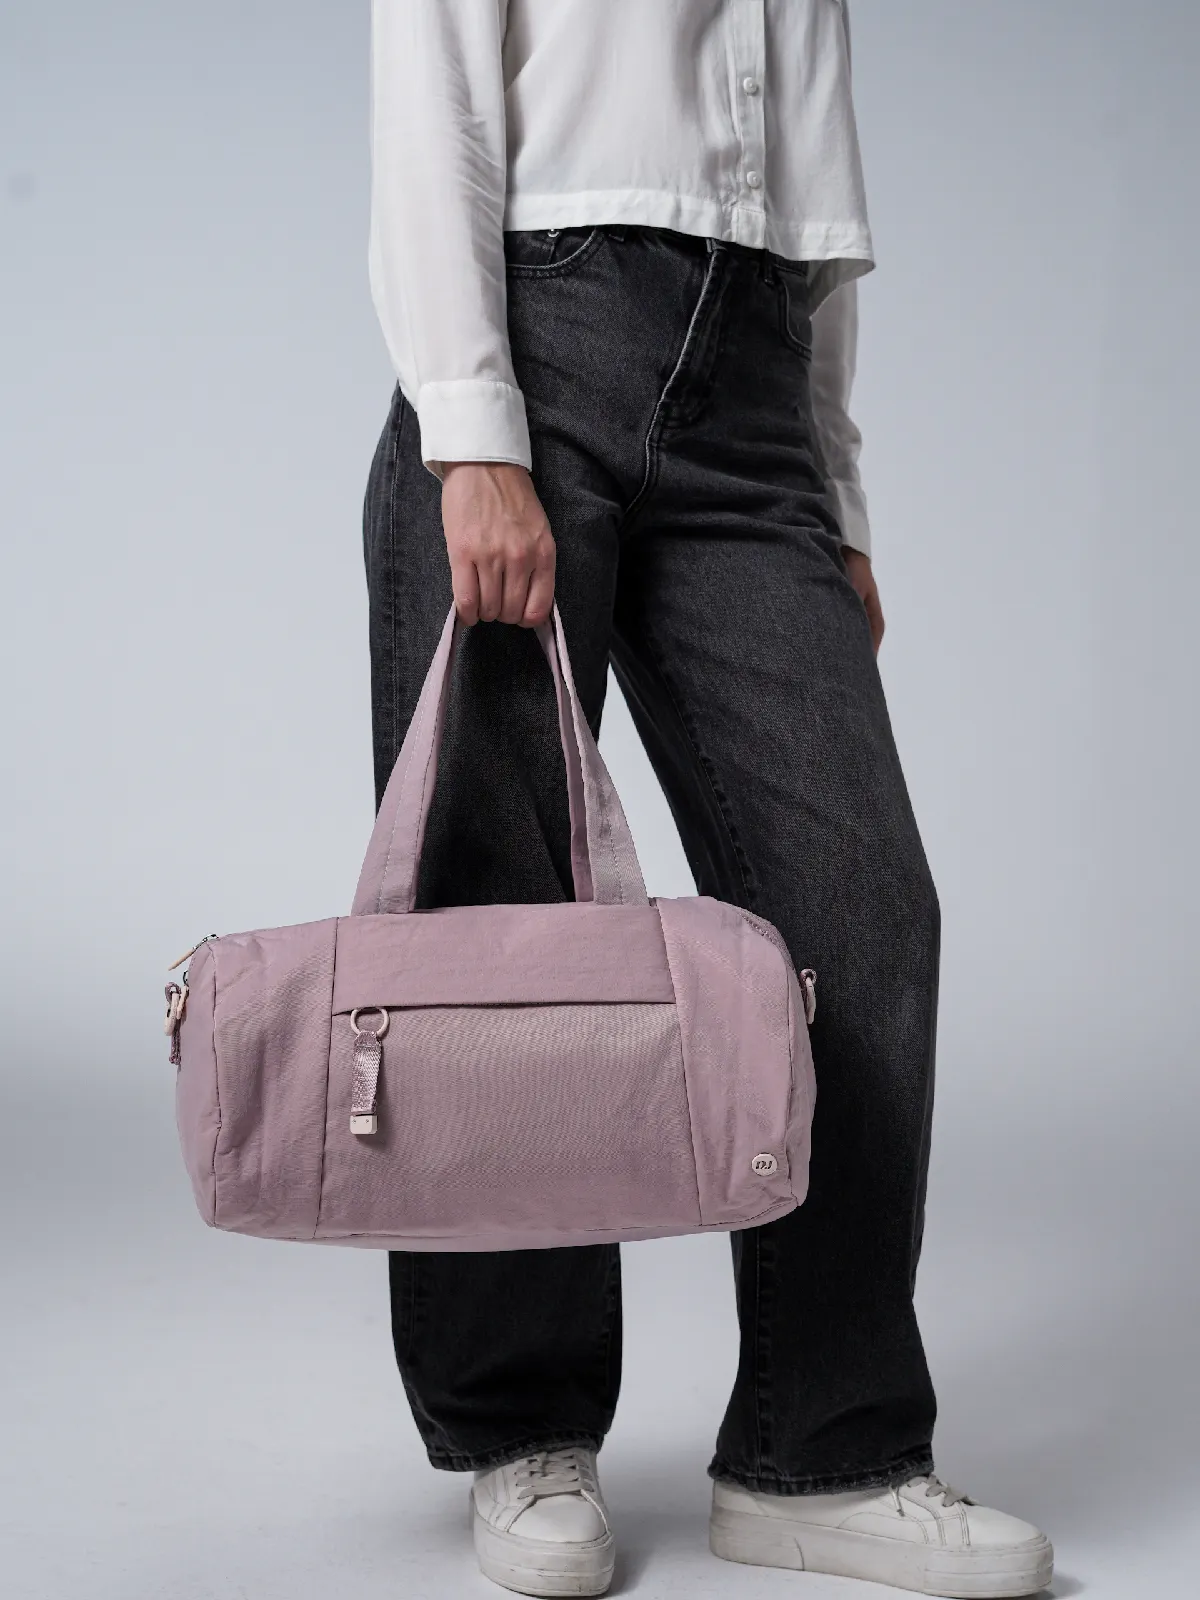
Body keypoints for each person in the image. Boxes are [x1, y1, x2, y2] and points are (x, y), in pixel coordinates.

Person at [362, 3, 1054, 1596]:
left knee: (862, 914)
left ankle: (826, 1448)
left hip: (755, 389)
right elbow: (433, 74)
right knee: (505, 925)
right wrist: (469, 425)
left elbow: (806, 168)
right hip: (540, 335)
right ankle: (524, 1425)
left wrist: (835, 486)